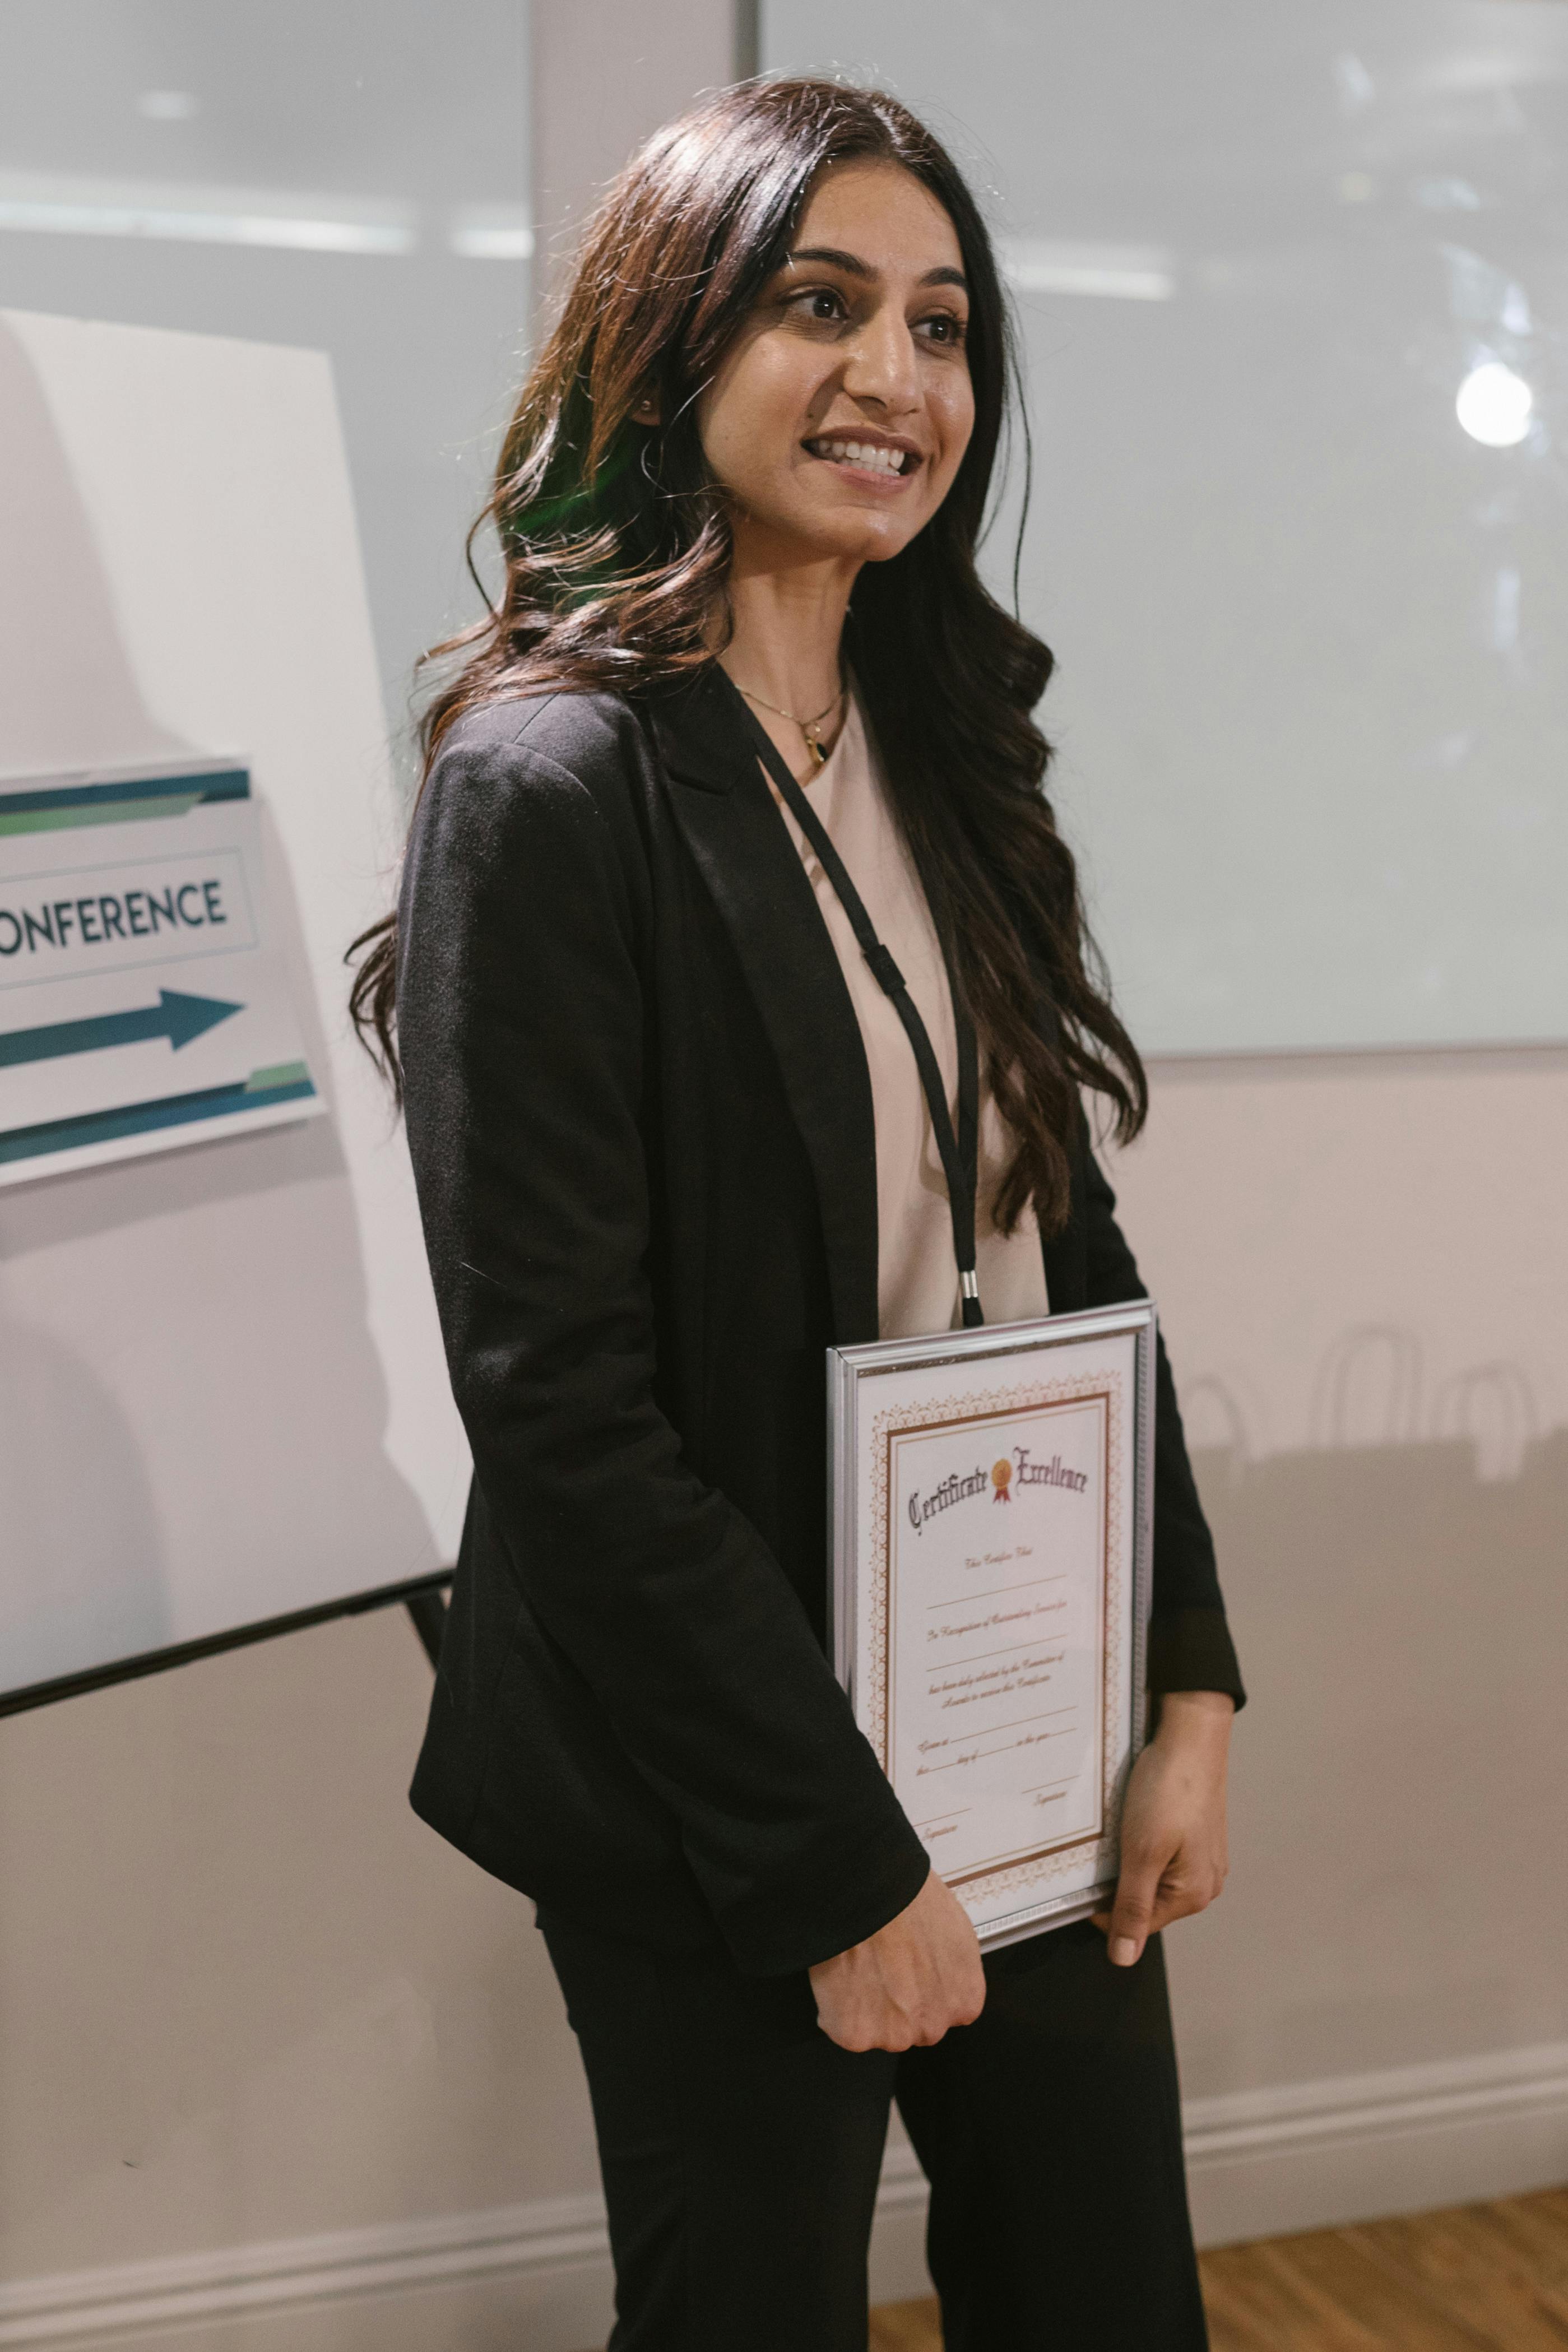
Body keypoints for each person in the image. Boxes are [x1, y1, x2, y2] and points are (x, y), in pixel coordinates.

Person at [351, 75, 1244, 2352]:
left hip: (1016, 1701)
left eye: (941, 327)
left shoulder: (937, 739)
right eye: (820, 304)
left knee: (1105, 2305)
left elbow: (1064, 1237)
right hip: (720, 1774)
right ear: (676, 341)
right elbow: (558, 1404)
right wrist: (834, 1861)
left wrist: (1187, 1675)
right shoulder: (551, 779)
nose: (895, 376)